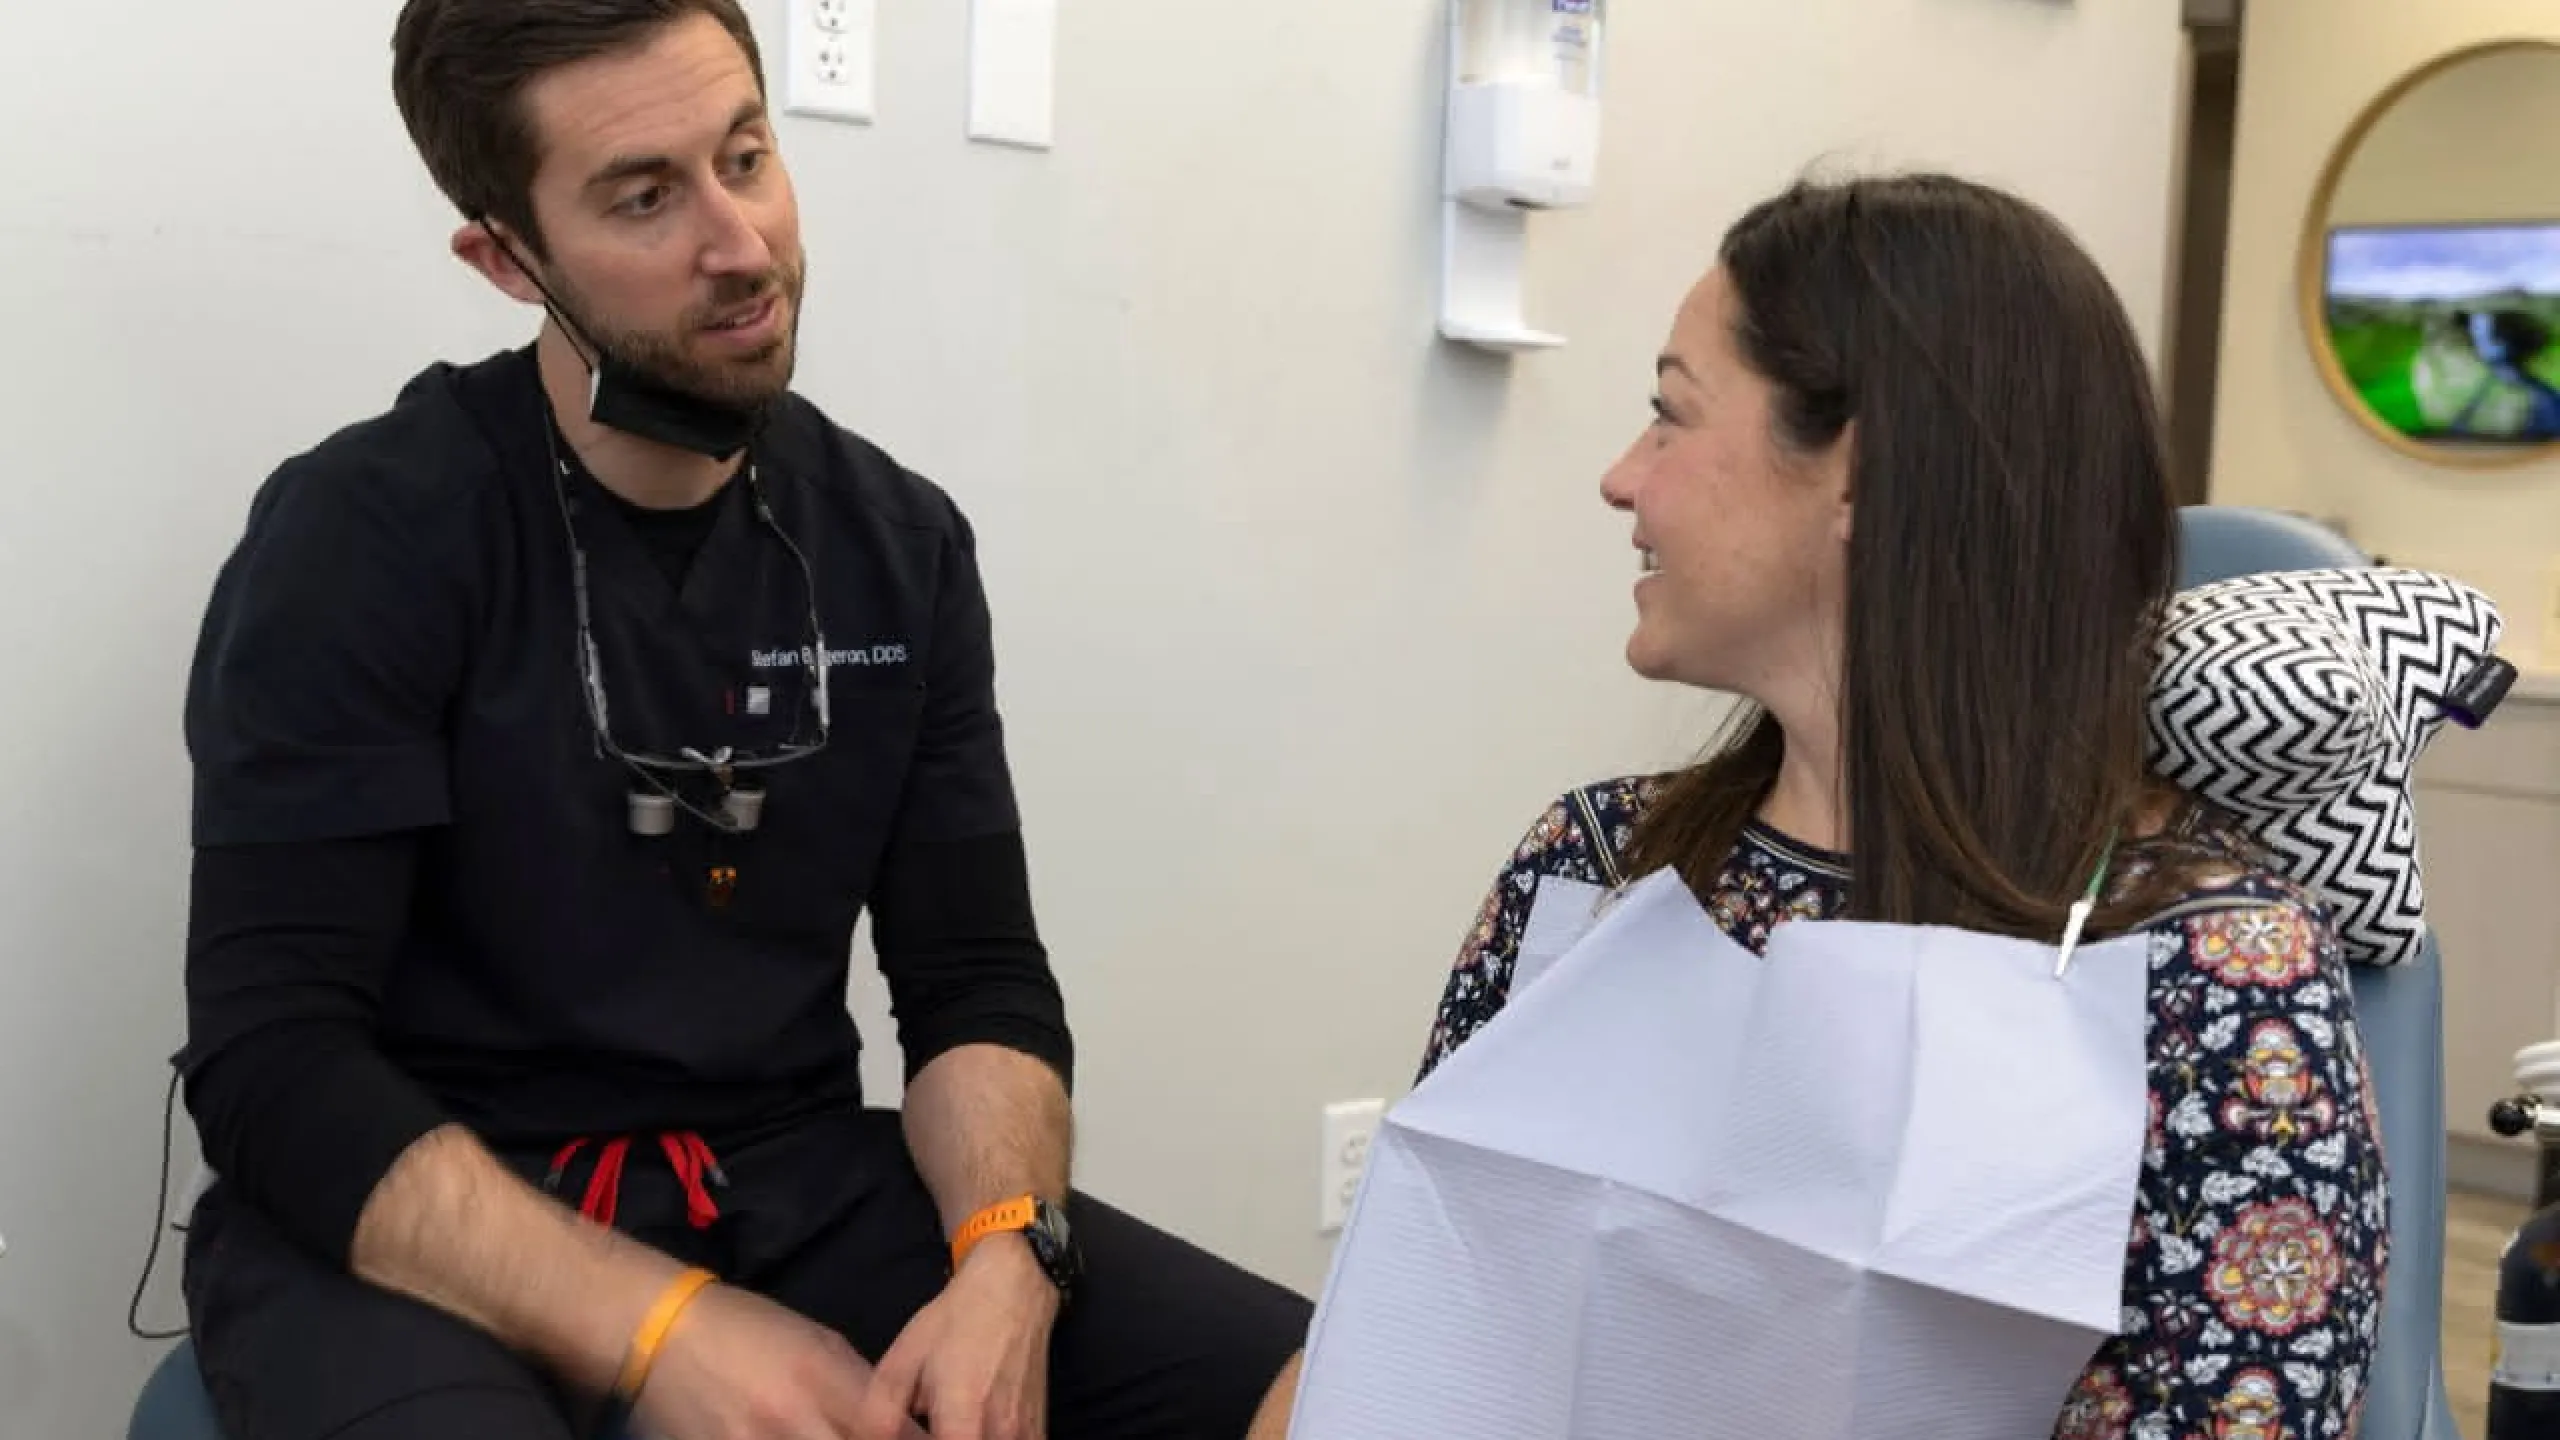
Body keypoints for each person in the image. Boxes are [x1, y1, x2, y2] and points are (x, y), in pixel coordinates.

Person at [173, 2, 1311, 1437]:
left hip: (788, 1181)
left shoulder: (899, 544)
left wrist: (1010, 1255)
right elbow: (278, 1070)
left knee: (1340, 1392)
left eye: (748, 157)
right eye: (646, 198)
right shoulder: (364, 538)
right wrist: (662, 1327)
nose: (743, 244)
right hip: (424, 1219)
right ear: (504, 258)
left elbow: (974, 985)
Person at [1262, 174, 2390, 1438]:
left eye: (1668, 418)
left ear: (1857, 476)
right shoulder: (1592, 869)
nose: (1620, 479)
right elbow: (1390, 1332)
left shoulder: (2210, 979)